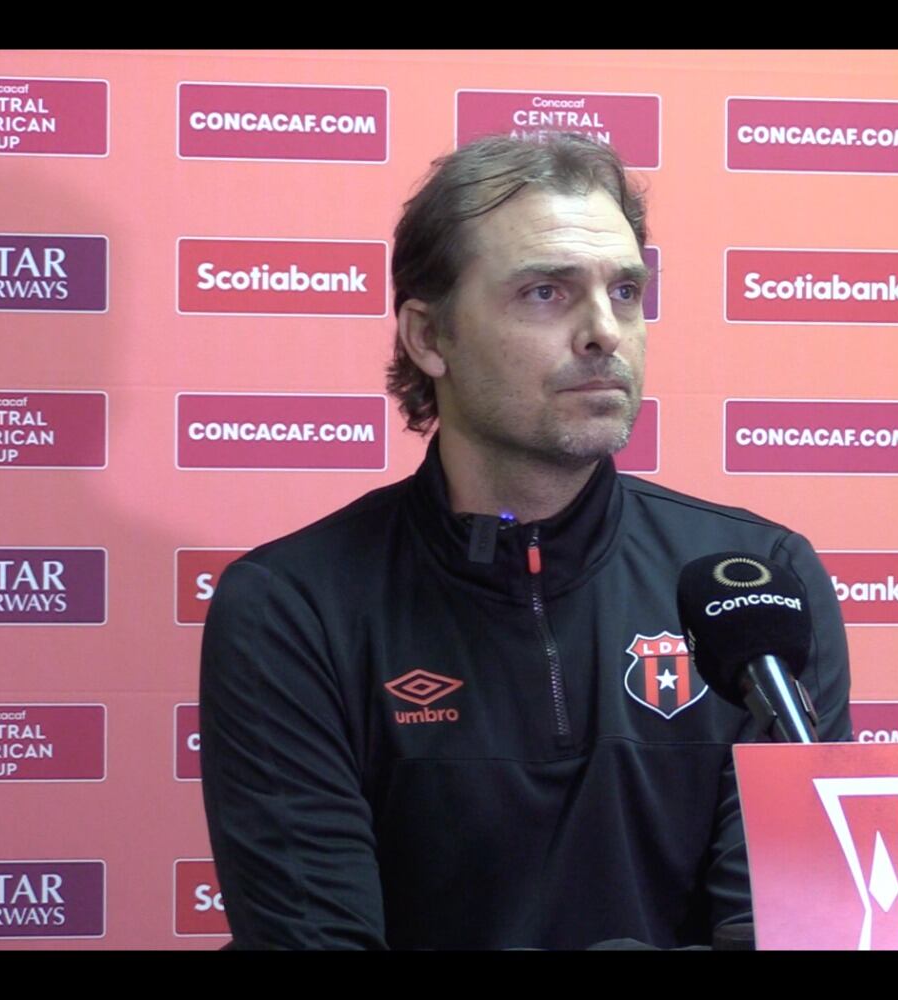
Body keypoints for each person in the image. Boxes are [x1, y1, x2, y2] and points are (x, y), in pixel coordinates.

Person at [199, 133, 852, 950]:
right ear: (428, 337)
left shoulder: (760, 587)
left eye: (625, 291)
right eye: (546, 293)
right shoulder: (293, 610)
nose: (604, 332)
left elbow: (780, 926)